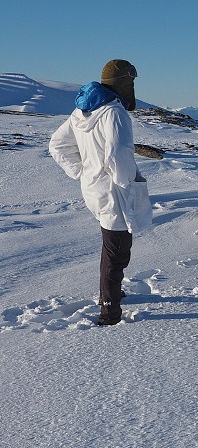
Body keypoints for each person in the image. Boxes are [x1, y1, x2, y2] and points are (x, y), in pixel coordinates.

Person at [49, 59, 153, 326]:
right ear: (123, 82)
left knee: (116, 244)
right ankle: (109, 310)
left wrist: (83, 171)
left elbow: (58, 145)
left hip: (94, 190)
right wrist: (126, 180)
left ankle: (112, 293)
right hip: (113, 192)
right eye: (131, 81)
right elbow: (119, 154)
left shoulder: (82, 111)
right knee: (115, 251)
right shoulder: (114, 112)